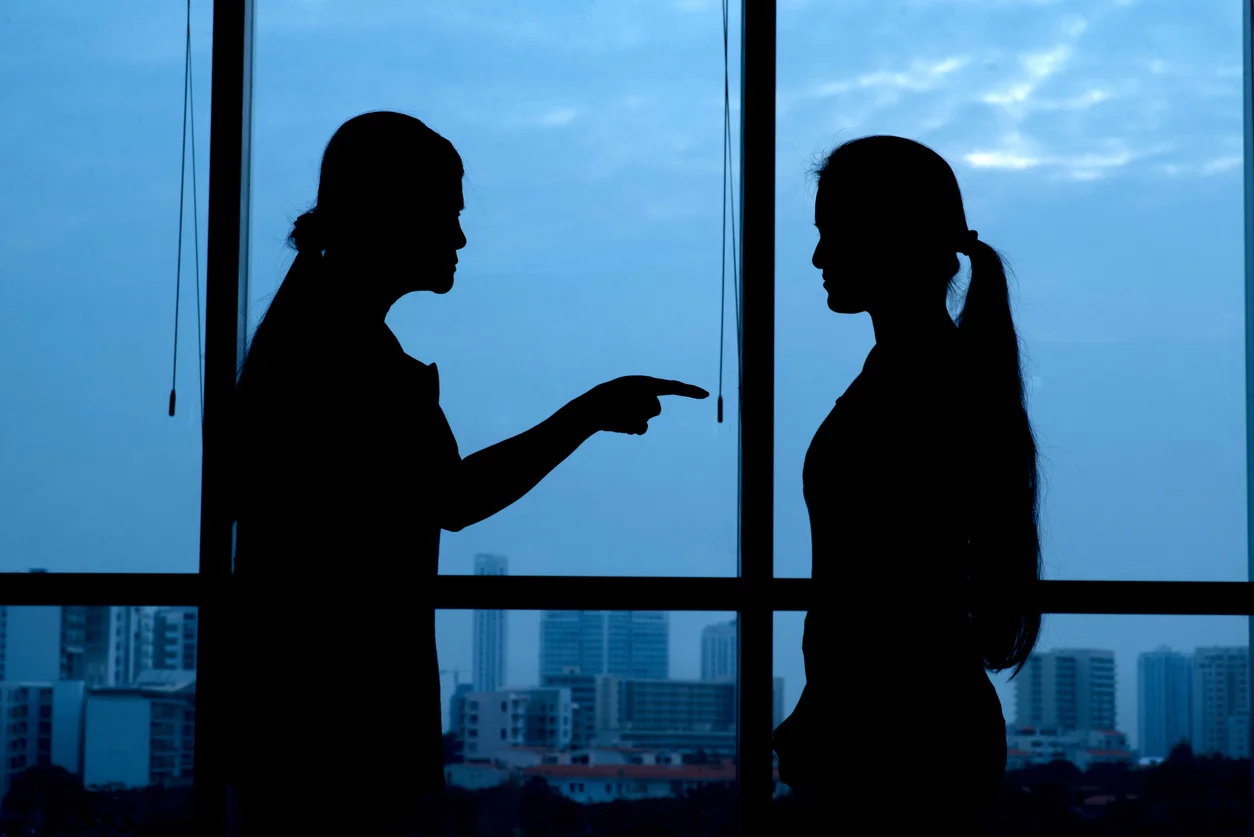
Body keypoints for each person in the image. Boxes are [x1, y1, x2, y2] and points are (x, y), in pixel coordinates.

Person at [228, 111, 707, 836]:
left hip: (301, 710)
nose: (459, 237)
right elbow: (453, 497)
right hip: (341, 711)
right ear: (393, 212)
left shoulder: (312, 336)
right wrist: (587, 413)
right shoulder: (349, 357)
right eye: (447, 214)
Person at [771, 135, 1042, 832]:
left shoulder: (916, 383)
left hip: (894, 733)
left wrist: (828, 708)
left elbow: (882, 590)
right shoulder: (929, 373)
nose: (818, 257)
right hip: (913, 725)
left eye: (833, 234)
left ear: (886, 237)